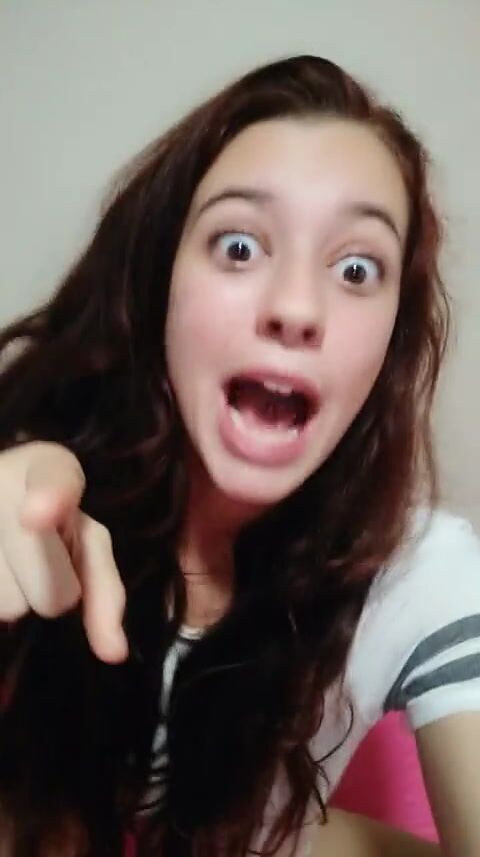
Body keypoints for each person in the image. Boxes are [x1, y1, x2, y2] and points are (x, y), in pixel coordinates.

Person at [0, 54, 478, 857]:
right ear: (161, 283)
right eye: (239, 247)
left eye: (356, 268)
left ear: (390, 343)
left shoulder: (423, 580)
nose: (295, 307)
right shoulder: (28, 487)